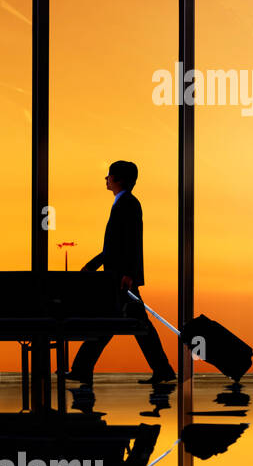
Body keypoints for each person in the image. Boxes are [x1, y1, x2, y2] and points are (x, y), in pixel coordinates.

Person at [69, 161, 175, 386]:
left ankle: (82, 369)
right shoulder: (124, 203)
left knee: (115, 323)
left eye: (109, 175)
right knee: (127, 323)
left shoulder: (128, 204)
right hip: (118, 276)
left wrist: (129, 273)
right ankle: (162, 370)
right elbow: (116, 246)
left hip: (120, 277)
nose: (106, 179)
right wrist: (94, 264)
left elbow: (131, 242)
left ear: (118, 179)